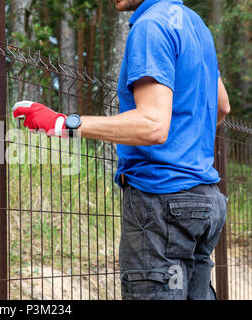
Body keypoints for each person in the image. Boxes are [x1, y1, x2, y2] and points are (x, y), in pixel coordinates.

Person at [12, 0, 231, 300]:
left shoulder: (151, 25)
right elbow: (222, 106)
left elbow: (153, 125)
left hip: (162, 201)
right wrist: (187, 145)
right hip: (205, 201)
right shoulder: (198, 27)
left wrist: (63, 123)